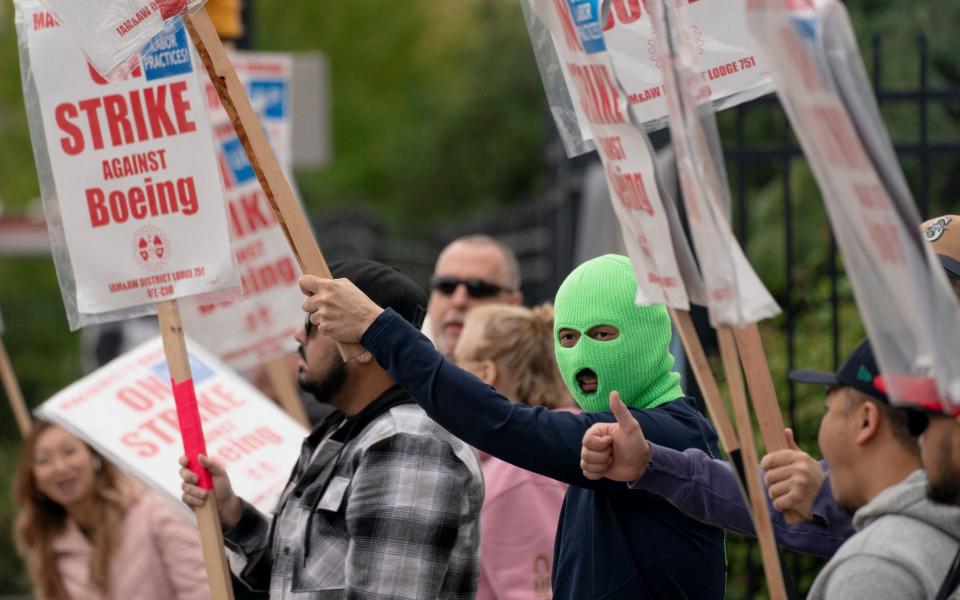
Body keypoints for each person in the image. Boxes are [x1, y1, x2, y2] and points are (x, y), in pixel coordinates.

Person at [301, 254, 726, 599]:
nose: (581, 355)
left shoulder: (667, 436)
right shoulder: (602, 432)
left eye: (602, 333)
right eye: (568, 339)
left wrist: (380, 330)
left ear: (647, 336)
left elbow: (501, 424)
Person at [180, 259, 483, 599]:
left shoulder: (409, 441)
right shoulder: (347, 431)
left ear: (365, 345)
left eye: (313, 321)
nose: (298, 335)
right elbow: (293, 581)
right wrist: (233, 515)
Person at [582, 338, 960, 599]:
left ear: (866, 421)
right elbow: (763, 496)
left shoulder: (878, 568)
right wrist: (650, 463)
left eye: (830, 408)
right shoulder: (937, 526)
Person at [453, 303, 573, 599]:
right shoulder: (528, 458)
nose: (450, 377)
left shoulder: (523, 474)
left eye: (456, 363)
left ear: (486, 374)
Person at [14, 420, 209, 600]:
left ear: (94, 456)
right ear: (34, 479)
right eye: (44, 460)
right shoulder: (46, 543)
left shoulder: (153, 512)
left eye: (69, 452)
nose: (60, 467)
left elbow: (202, 590)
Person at [428, 235, 523, 357]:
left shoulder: (544, 373)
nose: (458, 301)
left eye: (478, 289)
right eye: (446, 286)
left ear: (513, 305)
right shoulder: (400, 369)